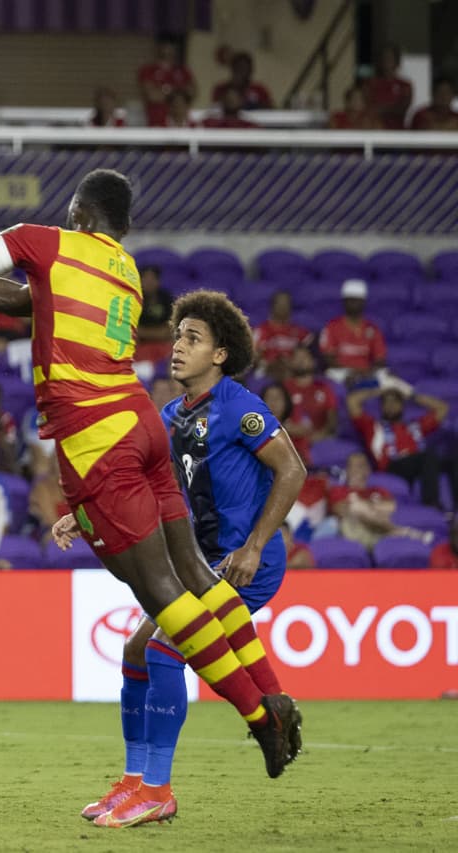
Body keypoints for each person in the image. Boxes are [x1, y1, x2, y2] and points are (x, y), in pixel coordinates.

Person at [0, 169, 301, 794]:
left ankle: (256, 719)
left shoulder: (43, 240)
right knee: (194, 575)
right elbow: (22, 300)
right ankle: (271, 695)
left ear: (79, 212)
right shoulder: (127, 273)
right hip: (143, 421)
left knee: (165, 594)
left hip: (96, 437)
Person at [60, 289, 305, 827]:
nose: (177, 346)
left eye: (193, 339)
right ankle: (132, 782)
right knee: (133, 650)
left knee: (167, 653)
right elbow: (153, 487)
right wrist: (81, 511)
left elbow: (293, 471)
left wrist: (255, 545)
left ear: (219, 355)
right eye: (177, 336)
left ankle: (158, 790)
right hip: (199, 565)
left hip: (244, 562)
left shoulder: (239, 404)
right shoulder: (171, 415)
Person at [348, 383, 454, 509]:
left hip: (418, 463)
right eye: (386, 403)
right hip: (393, 466)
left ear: (402, 406)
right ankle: (431, 504)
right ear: (381, 407)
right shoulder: (372, 426)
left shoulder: (415, 426)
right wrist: (380, 391)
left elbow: (443, 408)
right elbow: (352, 401)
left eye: (395, 402)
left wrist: (412, 396)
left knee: (453, 461)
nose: (391, 406)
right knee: (429, 455)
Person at [329, 450, 430, 549]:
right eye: (355, 466)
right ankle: (400, 532)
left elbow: (391, 507)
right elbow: (340, 510)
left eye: (363, 465)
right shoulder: (339, 490)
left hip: (380, 530)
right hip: (356, 532)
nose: (359, 469)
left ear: (369, 469)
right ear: (348, 470)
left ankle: (395, 533)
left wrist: (363, 505)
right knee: (355, 507)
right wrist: (371, 506)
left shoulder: (378, 490)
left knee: (357, 505)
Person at [318, 279, 387, 386]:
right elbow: (328, 358)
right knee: (331, 375)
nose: (353, 303)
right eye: (350, 300)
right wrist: (353, 371)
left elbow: (380, 359)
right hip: (341, 372)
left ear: (363, 302)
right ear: (344, 302)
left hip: (367, 372)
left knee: (389, 378)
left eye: (357, 300)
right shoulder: (332, 326)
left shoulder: (372, 328)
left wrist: (367, 372)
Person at [138, 35, 196, 126]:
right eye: (165, 45)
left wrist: (165, 91)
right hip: (156, 124)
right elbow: (152, 96)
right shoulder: (148, 70)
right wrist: (177, 93)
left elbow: (192, 92)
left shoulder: (183, 71)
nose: (168, 49)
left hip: (181, 124)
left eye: (171, 46)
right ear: (158, 47)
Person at [253, 290, 311, 380]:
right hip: (267, 373)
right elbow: (253, 358)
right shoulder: (261, 331)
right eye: (280, 304)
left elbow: (307, 357)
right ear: (272, 306)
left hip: (294, 374)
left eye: (286, 304)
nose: (283, 307)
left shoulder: (299, 332)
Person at [133, 265, 174, 368]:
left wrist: (144, 332)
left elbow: (170, 330)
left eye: (152, 279)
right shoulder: (134, 299)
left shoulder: (166, 298)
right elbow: (132, 330)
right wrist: (158, 333)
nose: (149, 283)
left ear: (158, 281)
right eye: (145, 279)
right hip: (140, 347)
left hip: (165, 345)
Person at [366, 44, 412, 129]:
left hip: (397, 132)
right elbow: (369, 108)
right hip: (376, 131)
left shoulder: (405, 85)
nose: (386, 61)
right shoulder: (371, 83)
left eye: (390, 57)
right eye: (383, 57)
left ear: (397, 60)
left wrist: (382, 109)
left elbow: (402, 109)